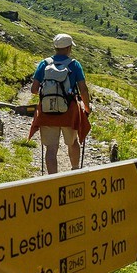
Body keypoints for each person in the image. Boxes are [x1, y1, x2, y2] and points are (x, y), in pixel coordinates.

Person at [28, 33, 92, 174]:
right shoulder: (74, 65)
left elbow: (33, 90)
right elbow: (83, 90)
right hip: (69, 111)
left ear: (55, 47)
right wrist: (87, 107)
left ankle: (52, 180)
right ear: (69, 48)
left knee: (51, 148)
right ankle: (74, 171)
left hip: (47, 111)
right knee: (73, 142)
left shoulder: (44, 64)